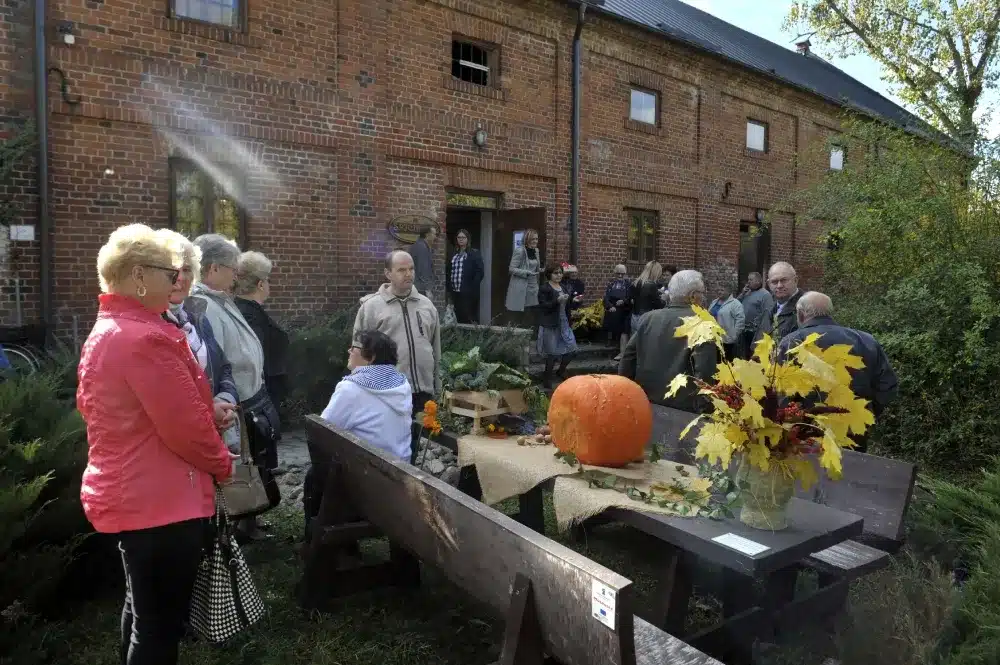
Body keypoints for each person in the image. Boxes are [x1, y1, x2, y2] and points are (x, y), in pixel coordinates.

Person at [77, 224, 233, 665]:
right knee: (160, 626)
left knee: (142, 611)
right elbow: (184, 428)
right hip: (162, 501)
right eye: (172, 272)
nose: (179, 281)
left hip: (135, 494)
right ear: (139, 275)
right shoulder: (144, 337)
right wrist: (222, 463)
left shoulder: (109, 329)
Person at [191, 234, 280, 542]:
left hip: (245, 398)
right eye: (232, 267)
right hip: (230, 403)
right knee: (234, 467)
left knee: (249, 463)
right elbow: (213, 363)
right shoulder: (202, 304)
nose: (236, 274)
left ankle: (246, 525)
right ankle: (231, 532)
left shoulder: (218, 298)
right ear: (213, 268)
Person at [778, 292, 899, 451]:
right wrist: (866, 413)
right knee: (851, 472)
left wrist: (792, 423)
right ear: (830, 312)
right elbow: (888, 385)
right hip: (854, 430)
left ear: (800, 315)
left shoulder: (793, 342)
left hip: (807, 433)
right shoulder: (866, 340)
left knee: (810, 474)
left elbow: (782, 391)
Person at [160, 230, 240, 453]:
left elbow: (223, 366)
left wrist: (224, 401)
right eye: (172, 270)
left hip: (210, 436)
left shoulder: (195, 317)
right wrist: (208, 411)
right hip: (176, 451)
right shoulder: (149, 326)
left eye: (187, 270)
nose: (180, 278)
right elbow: (165, 401)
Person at [355, 250, 442, 412]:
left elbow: (436, 349)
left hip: (424, 391)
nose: (408, 274)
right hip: (389, 392)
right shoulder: (371, 308)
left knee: (420, 437)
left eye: (411, 269)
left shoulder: (427, 305)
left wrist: (438, 387)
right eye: (402, 270)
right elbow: (358, 355)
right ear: (388, 273)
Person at [619, 270, 718, 411]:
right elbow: (705, 372)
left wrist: (626, 395)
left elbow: (628, 359)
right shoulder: (702, 323)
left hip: (645, 401)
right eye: (702, 293)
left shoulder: (648, 318)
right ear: (693, 296)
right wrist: (705, 408)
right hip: (683, 408)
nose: (703, 297)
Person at [321, 330, 414, 460]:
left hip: (367, 471)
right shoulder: (403, 384)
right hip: (402, 465)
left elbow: (322, 431)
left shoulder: (350, 388)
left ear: (371, 356)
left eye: (354, 347)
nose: (349, 351)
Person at [234, 251, 290, 409]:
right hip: (259, 401)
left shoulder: (239, 310)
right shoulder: (250, 316)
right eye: (268, 280)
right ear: (260, 284)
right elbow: (253, 361)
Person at [536, 264, 578, 388]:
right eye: (555, 273)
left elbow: (567, 304)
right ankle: (547, 378)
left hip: (564, 322)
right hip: (551, 323)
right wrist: (557, 301)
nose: (559, 275)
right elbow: (543, 306)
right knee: (552, 353)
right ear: (549, 275)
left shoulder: (563, 287)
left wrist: (574, 301)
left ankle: (561, 370)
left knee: (573, 349)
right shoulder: (544, 288)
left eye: (560, 273)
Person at [756, 261, 803, 343]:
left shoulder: (808, 307)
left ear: (796, 280)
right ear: (768, 284)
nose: (779, 286)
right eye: (774, 282)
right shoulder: (769, 309)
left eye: (784, 280)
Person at [446, 229, 485, 324]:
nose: (461, 239)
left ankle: (472, 338)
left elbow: (480, 272)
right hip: (455, 292)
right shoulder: (454, 254)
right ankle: (460, 338)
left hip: (469, 292)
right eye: (459, 237)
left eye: (463, 237)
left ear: (468, 239)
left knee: (469, 317)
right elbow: (449, 271)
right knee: (459, 316)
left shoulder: (474, 253)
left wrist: (472, 287)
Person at [505, 229, 542, 325]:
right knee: (521, 315)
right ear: (527, 240)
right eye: (532, 239)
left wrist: (541, 270)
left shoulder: (536, 251)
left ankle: (532, 337)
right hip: (521, 287)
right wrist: (526, 272)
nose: (535, 241)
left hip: (533, 287)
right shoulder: (520, 251)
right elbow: (511, 269)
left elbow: (535, 267)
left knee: (533, 315)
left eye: (536, 239)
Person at [708, 278, 745, 361]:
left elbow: (740, 321)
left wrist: (734, 336)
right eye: (718, 290)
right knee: (716, 361)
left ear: (729, 291)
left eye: (722, 290)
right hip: (714, 338)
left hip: (727, 339)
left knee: (726, 361)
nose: (719, 292)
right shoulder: (714, 302)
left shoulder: (735, 304)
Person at [739, 272, 773, 358]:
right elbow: (736, 304)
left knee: (753, 355)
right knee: (744, 355)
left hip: (755, 332)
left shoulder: (765, 295)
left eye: (751, 279)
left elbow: (768, 314)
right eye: (748, 279)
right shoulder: (747, 293)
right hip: (744, 330)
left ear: (758, 281)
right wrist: (742, 294)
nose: (748, 282)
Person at [603, 264, 632, 361]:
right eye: (618, 274)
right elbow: (606, 297)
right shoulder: (611, 284)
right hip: (613, 307)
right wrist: (610, 306)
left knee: (621, 319)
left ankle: (619, 342)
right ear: (615, 273)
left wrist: (624, 301)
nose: (620, 276)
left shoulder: (628, 285)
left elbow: (630, 297)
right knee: (610, 314)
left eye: (622, 274)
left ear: (625, 274)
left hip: (624, 309)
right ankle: (610, 338)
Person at [631, 260, 665, 330]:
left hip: (634, 317)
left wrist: (656, 292)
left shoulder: (636, 282)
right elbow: (659, 305)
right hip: (645, 318)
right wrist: (664, 299)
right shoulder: (651, 285)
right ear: (655, 272)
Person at [410, 225, 437, 299]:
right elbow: (423, 269)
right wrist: (427, 289)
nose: (435, 237)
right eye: (434, 234)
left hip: (418, 286)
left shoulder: (419, 245)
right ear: (427, 234)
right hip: (421, 288)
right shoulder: (422, 247)